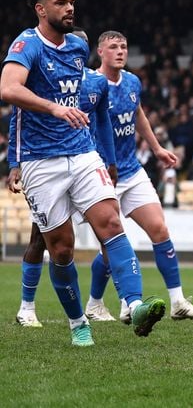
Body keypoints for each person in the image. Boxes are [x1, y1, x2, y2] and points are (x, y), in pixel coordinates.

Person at [0, 0, 166, 346]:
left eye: (71, 1)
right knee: (61, 248)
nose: (69, 7)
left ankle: (134, 305)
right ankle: (78, 323)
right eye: (60, 3)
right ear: (41, 9)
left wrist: (107, 156)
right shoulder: (27, 44)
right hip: (41, 161)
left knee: (111, 223)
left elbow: (96, 109)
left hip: (82, 151)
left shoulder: (77, 46)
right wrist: (53, 111)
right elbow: (8, 89)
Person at [8, 26, 123, 327]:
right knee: (42, 240)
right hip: (47, 162)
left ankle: (109, 302)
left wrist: (110, 161)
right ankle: (27, 307)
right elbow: (17, 117)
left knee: (109, 230)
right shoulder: (45, 79)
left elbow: (103, 123)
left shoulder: (96, 83)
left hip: (84, 162)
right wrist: (14, 163)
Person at [92, 30, 193, 322]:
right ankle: (106, 303)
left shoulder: (133, 81)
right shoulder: (90, 84)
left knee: (160, 229)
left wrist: (156, 148)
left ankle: (178, 302)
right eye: (113, 47)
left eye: (124, 46)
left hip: (131, 170)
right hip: (101, 174)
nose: (120, 51)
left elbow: (138, 113)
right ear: (100, 52)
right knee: (111, 246)